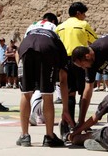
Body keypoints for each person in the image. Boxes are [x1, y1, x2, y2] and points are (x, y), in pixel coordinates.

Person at [16, 13, 73, 147]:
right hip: (46, 48)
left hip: (25, 49)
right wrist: (65, 108)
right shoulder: (54, 28)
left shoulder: (32, 25)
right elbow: (63, 80)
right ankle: (49, 136)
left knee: (26, 93)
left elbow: (20, 51)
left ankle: (24, 136)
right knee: (47, 95)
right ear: (54, 21)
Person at [55, 2, 97, 133]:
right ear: (78, 13)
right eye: (84, 13)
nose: (85, 16)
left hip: (64, 62)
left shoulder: (59, 27)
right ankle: (81, 122)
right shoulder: (83, 25)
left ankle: (67, 123)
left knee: (69, 93)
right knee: (84, 92)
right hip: (80, 60)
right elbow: (95, 41)